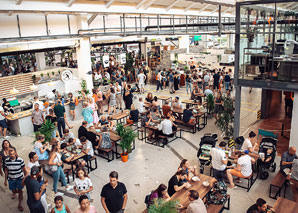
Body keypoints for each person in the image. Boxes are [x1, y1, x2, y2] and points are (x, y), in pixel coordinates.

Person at [4, 147, 26, 211]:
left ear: (15, 153)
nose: (11, 155)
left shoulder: (20, 160)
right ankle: (18, 192)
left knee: (19, 191)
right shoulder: (6, 161)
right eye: (10, 154)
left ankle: (20, 204)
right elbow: (6, 170)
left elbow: (24, 170)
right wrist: (5, 180)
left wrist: (24, 179)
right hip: (11, 179)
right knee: (13, 190)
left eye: (13, 154)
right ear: (8, 154)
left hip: (19, 179)